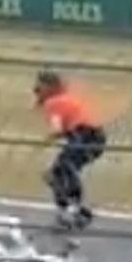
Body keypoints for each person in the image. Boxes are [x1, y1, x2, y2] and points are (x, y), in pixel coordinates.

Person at [33, 70, 106, 231]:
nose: (36, 90)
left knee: (62, 170)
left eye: (39, 86)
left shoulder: (53, 103)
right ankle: (72, 211)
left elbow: (57, 129)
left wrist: (44, 141)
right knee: (60, 171)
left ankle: (75, 211)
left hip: (86, 136)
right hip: (91, 137)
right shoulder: (61, 99)